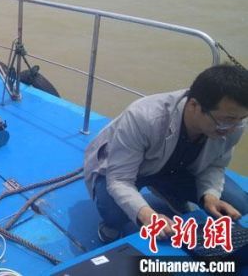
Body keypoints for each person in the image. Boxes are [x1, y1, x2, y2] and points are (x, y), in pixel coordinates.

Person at [84, 64, 248, 243]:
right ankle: (113, 224)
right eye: (227, 120)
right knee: (114, 214)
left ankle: (167, 190)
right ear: (194, 105)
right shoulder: (143, 117)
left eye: (241, 119)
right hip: (127, 169)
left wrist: (210, 195)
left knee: (239, 204)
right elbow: (119, 179)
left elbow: (215, 165)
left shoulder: (233, 124)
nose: (233, 128)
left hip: (177, 169)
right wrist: (146, 214)